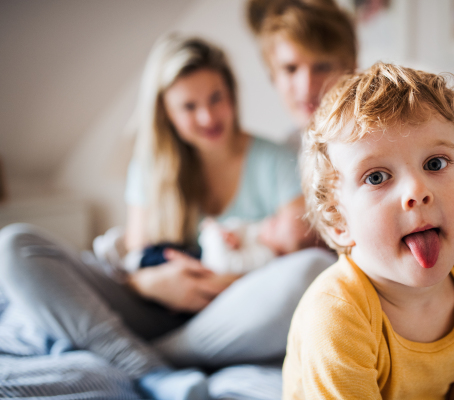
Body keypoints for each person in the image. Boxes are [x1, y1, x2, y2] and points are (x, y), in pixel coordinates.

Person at [0, 34, 335, 400]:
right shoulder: (149, 168)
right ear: (166, 113)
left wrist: (215, 283)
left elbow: (290, 251)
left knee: (314, 270)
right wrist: (149, 284)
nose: (207, 116)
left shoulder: (277, 162)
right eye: (189, 107)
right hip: (152, 308)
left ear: (232, 95)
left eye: (215, 99)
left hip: (229, 315)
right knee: (16, 245)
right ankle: (148, 367)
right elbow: (136, 262)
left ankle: (142, 360)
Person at [282, 63, 454, 399]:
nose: (417, 191)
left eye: (435, 163)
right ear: (338, 221)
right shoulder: (337, 316)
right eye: (376, 177)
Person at [247, 0, 357, 150]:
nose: (306, 87)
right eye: (290, 69)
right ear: (273, 76)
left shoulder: (381, 140)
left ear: (351, 69)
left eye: (322, 67)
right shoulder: (285, 155)